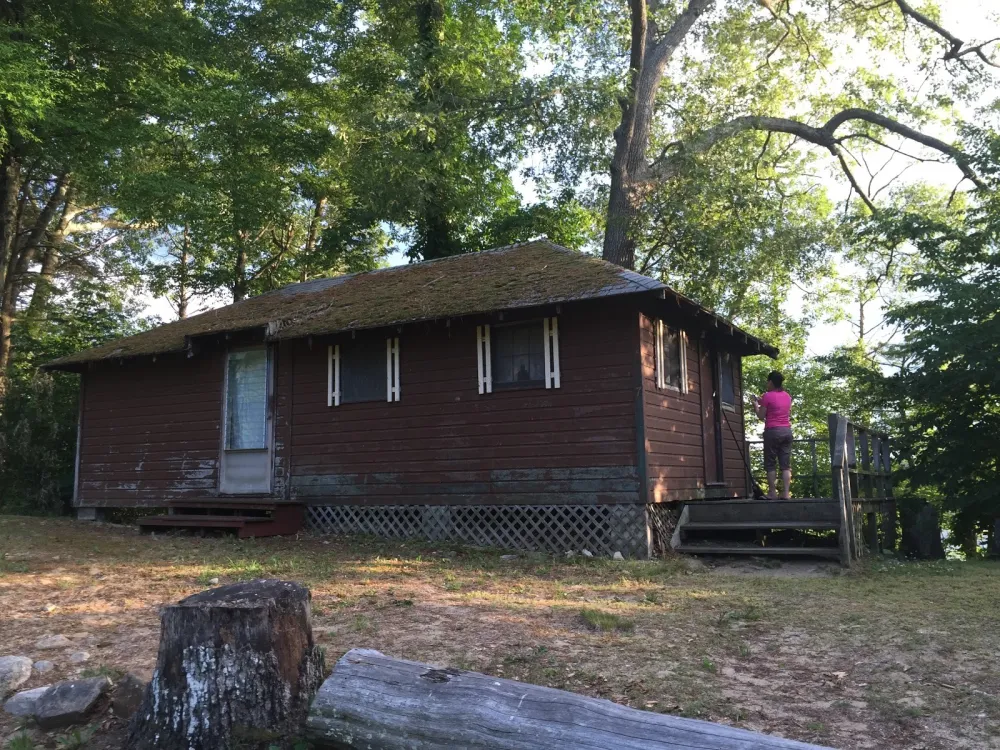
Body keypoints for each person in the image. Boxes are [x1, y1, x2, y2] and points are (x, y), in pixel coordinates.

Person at [750, 371, 793, 500]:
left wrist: (756, 405)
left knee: (770, 463)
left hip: (772, 431)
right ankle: (786, 493)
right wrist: (762, 401)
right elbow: (779, 409)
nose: (766, 383)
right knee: (785, 465)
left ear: (771, 382)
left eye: (767, 381)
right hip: (786, 431)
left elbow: (761, 416)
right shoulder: (787, 396)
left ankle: (772, 493)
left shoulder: (767, 396)